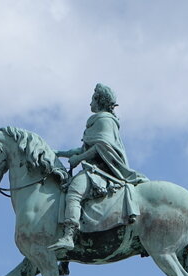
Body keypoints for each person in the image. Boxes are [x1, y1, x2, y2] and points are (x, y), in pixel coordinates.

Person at [48, 83, 146, 253]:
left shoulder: (104, 119)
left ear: (99, 101)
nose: (90, 103)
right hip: (94, 168)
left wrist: (79, 159)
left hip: (104, 171)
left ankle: (69, 236)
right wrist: (57, 153)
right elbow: (84, 148)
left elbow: (101, 146)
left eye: (92, 99)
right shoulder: (99, 120)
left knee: (74, 191)